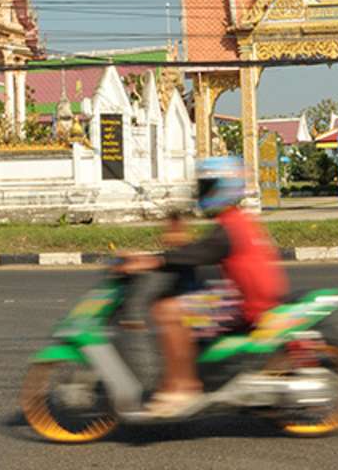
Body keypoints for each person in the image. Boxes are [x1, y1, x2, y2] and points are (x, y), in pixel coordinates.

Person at [121, 156, 288, 417]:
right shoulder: (235, 221)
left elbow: (200, 252)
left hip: (244, 304)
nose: (203, 192)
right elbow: (199, 249)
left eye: (207, 186)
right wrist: (160, 254)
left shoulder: (229, 228)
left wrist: (153, 260)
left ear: (222, 188)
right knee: (185, 298)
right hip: (246, 295)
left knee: (167, 310)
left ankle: (183, 388)